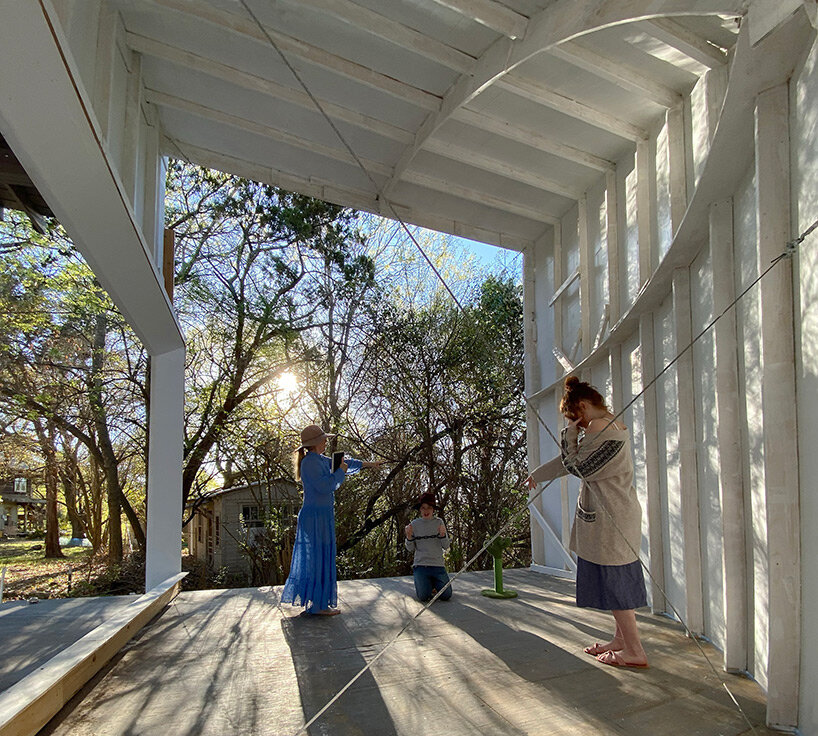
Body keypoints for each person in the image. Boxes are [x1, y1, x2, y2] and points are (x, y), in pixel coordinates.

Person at [525, 376, 648, 668]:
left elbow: (578, 467)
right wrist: (538, 475)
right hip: (617, 513)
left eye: (573, 419)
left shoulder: (598, 427)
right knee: (617, 580)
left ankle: (635, 651)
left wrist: (568, 435)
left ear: (581, 407)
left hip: (611, 517)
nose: (576, 426)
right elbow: (577, 461)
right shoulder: (612, 424)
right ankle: (621, 640)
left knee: (615, 584)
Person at [282, 424, 381, 616]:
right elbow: (326, 486)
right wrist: (340, 472)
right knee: (317, 559)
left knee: (322, 557)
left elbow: (345, 463)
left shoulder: (319, 459)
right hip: (314, 517)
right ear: (315, 442)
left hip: (323, 516)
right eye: (323, 439)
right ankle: (318, 605)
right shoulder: (309, 462)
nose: (326, 442)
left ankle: (320, 603)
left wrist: (369, 464)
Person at [405, 492, 452, 602]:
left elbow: (446, 546)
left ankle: (433, 583)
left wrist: (443, 535)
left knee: (446, 595)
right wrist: (409, 537)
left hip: (438, 565)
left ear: (433, 509)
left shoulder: (439, 522)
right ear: (420, 509)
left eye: (429, 507)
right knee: (423, 596)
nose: (426, 511)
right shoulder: (414, 524)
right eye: (423, 508)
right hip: (421, 566)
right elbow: (410, 549)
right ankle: (425, 583)